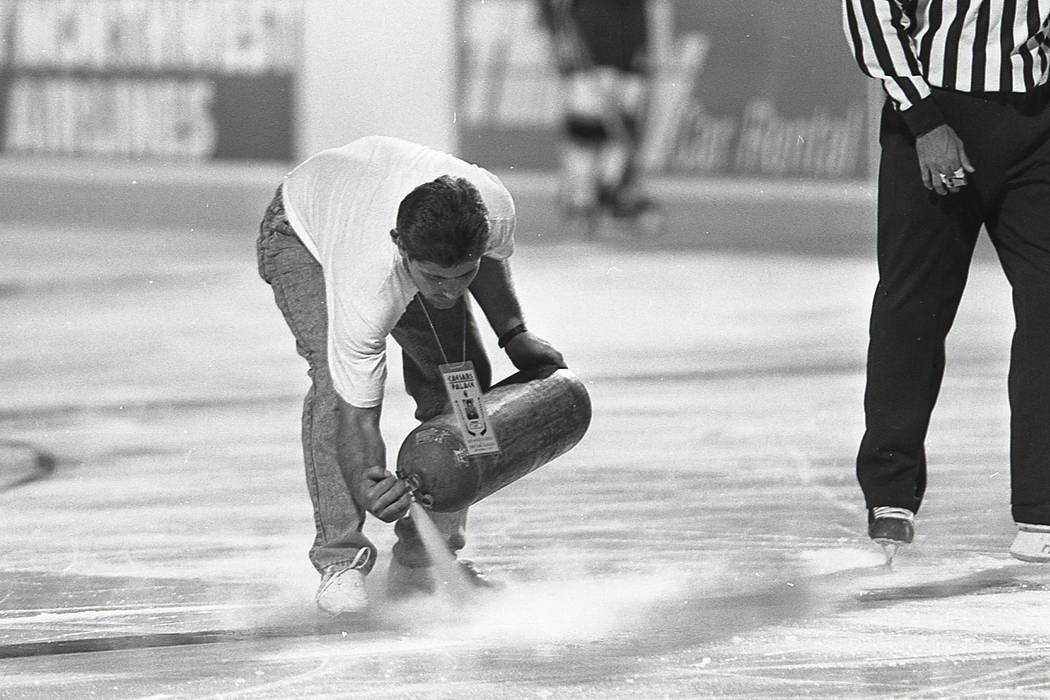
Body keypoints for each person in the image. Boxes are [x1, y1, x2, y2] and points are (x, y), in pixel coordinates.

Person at [256, 136, 567, 614]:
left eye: (462, 275)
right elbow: (358, 417)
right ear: (401, 249)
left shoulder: (494, 209)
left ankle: (424, 559)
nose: (448, 293)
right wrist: (367, 481)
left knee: (464, 382)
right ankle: (341, 560)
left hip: (376, 203)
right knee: (333, 385)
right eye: (434, 279)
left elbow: (485, 261)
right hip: (301, 233)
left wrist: (513, 332)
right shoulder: (370, 284)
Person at [842, 0, 1050, 562]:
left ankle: (1042, 511)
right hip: (935, 114)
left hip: (1037, 122)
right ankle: (891, 496)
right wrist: (925, 120)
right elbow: (871, 13)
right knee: (914, 309)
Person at [537, 0, 660, 236]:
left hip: (629, 45)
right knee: (587, 126)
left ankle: (609, 197)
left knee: (623, 127)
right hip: (591, 40)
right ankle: (582, 201)